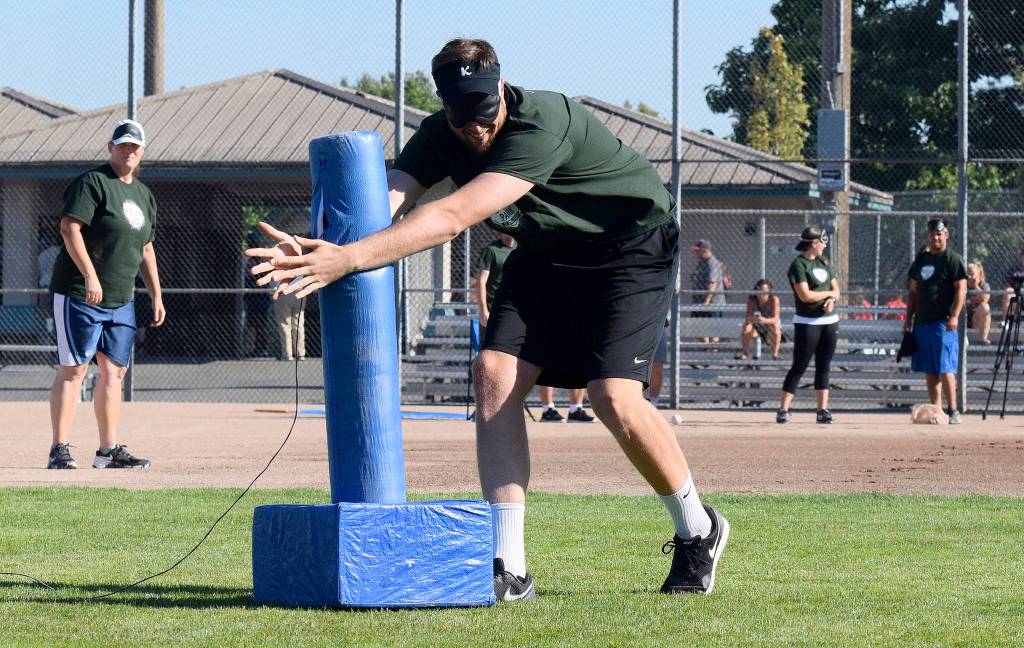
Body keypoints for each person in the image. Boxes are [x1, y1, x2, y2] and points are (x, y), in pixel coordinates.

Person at [247, 38, 728, 600]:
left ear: (501, 88)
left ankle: (699, 527)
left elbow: (451, 216)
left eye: (485, 110)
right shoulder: (436, 136)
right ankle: (509, 565)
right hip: (547, 251)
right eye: (462, 115)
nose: (477, 127)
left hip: (628, 245)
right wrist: (314, 249)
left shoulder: (542, 122)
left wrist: (348, 259)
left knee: (613, 397)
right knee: (492, 373)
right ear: (444, 107)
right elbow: (382, 205)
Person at [46, 119, 165, 469]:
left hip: (121, 299)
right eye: (123, 145)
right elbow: (70, 228)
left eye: (135, 147)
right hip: (80, 294)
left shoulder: (144, 195)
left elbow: (146, 248)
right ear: (110, 147)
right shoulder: (93, 183)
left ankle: (107, 451)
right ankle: (59, 449)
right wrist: (90, 276)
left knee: (114, 372)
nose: (129, 151)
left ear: (142, 153)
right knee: (75, 370)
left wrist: (156, 295)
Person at [476, 234, 594, 423]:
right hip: (506, 312)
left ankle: (576, 408)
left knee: (577, 359)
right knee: (504, 362)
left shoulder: (533, 247)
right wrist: (484, 310)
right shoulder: (493, 250)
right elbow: (481, 281)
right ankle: (546, 408)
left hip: (556, 307)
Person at [904, 218, 967, 424]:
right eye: (932, 234)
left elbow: (961, 289)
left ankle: (953, 410)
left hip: (944, 322)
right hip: (923, 322)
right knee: (930, 369)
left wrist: (955, 315)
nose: (936, 237)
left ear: (946, 235)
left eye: (939, 234)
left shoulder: (952, 259)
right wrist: (908, 318)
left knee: (945, 367)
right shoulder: (922, 259)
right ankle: (937, 410)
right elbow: (913, 292)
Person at [776, 226, 840, 424]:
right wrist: (827, 294)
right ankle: (783, 409)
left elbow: (836, 289)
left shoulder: (824, 263)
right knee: (800, 365)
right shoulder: (799, 265)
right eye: (821, 242)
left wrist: (832, 300)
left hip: (829, 321)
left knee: (824, 366)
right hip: (807, 322)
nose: (823, 246)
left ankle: (822, 410)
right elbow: (805, 296)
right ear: (813, 243)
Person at [689, 239, 726, 344]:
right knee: (698, 327)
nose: (696, 253)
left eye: (698, 251)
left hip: (711, 303)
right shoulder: (702, 262)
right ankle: (705, 349)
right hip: (700, 301)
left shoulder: (711, 263)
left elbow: (712, 283)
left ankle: (712, 353)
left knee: (713, 330)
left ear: (705, 250)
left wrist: (706, 302)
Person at [738, 279, 781, 360]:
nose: (761, 293)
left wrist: (764, 320)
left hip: (769, 327)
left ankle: (775, 354)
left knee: (775, 327)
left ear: (769, 291)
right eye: (759, 290)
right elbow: (748, 317)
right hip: (756, 327)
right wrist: (755, 319)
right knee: (746, 327)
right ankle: (745, 353)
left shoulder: (773, 299)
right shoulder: (752, 299)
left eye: (764, 290)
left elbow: (775, 319)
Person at [272, 284, 306, 361]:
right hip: (300, 290)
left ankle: (287, 354)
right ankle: (300, 353)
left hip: (283, 291)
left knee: (285, 324)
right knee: (298, 324)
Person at [966, 261, 991, 344]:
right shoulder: (962, 285)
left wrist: (976, 286)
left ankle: (983, 339)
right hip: (963, 318)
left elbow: (985, 299)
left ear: (978, 275)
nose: (969, 277)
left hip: (976, 319)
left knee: (985, 307)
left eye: (972, 274)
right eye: (967, 274)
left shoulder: (984, 285)